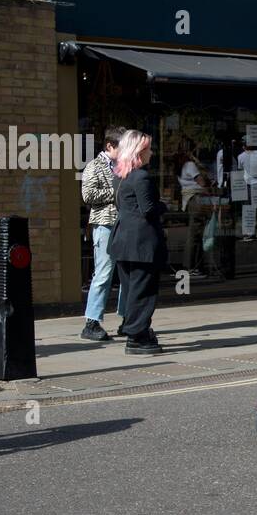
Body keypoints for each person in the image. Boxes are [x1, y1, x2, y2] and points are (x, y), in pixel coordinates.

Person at [109, 131, 167, 355]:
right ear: (139, 152)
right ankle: (137, 336)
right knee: (143, 292)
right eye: (149, 149)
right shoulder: (141, 177)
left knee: (132, 291)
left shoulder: (121, 176)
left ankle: (135, 331)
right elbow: (149, 210)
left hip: (123, 241)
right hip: (142, 244)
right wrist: (164, 206)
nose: (152, 152)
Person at [80, 125, 125, 341]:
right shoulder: (94, 166)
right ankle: (92, 321)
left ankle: (128, 319)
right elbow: (88, 195)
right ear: (110, 146)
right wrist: (115, 191)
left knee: (127, 273)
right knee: (104, 273)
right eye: (122, 147)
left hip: (124, 224)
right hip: (105, 224)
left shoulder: (125, 166)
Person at [178, 147, 213, 277]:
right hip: (196, 199)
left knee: (194, 235)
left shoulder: (181, 167)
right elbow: (201, 181)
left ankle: (192, 265)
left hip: (189, 200)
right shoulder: (190, 164)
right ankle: (192, 266)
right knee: (196, 235)